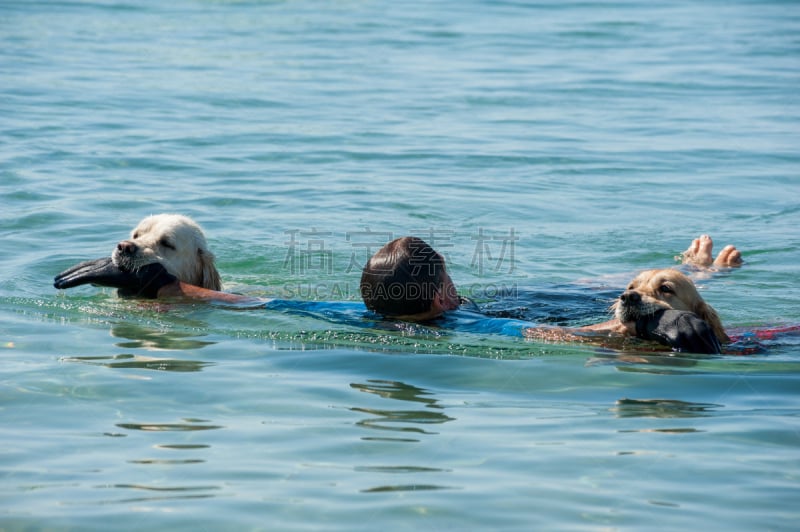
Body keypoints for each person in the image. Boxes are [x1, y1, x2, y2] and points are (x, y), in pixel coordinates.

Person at [53, 236, 728, 354]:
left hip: (517, 297)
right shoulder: (469, 327)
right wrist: (641, 330)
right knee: (591, 299)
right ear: (439, 300)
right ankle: (702, 273)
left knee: (584, 289)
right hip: (527, 312)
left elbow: (261, 304)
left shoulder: (363, 315)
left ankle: (700, 271)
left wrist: (161, 287)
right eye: (446, 276)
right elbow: (545, 336)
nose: (454, 283)